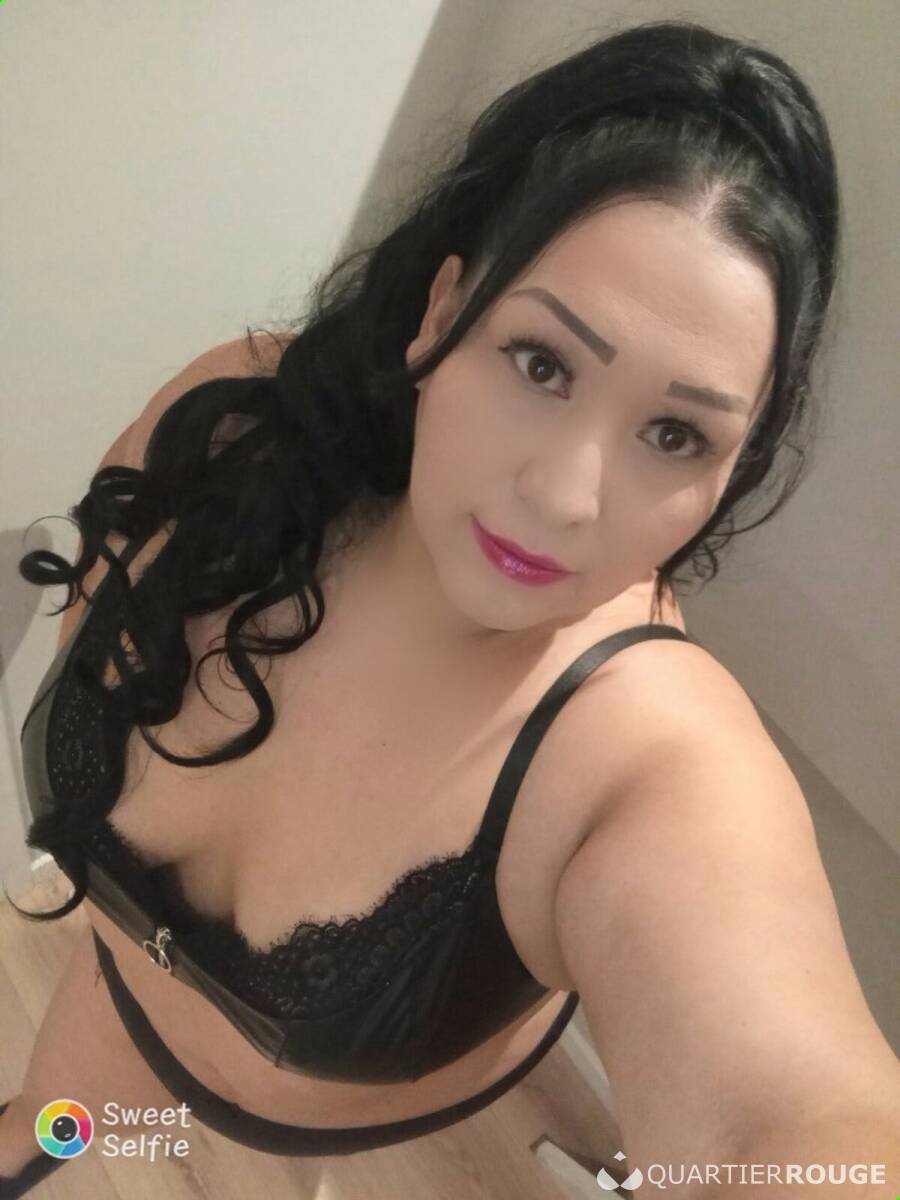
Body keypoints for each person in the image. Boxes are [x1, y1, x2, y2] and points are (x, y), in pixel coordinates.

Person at [3, 17, 899, 1198]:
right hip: (121, 983)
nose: (565, 497)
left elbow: (781, 1126)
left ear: (731, 474)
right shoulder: (232, 431)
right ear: (443, 313)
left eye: (676, 434)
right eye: (542, 363)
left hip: (313, 1113)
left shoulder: (647, 760)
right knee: (69, 1119)